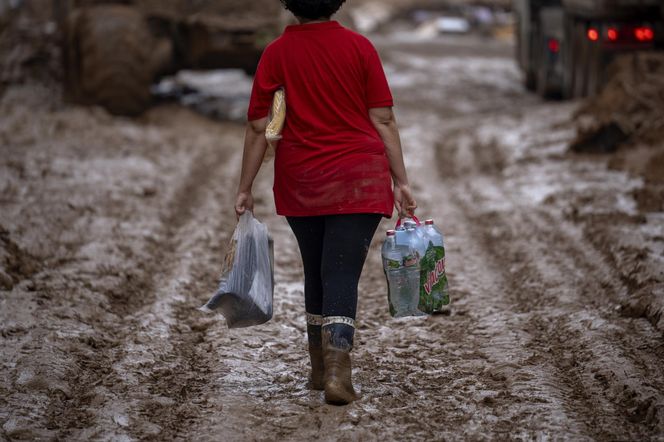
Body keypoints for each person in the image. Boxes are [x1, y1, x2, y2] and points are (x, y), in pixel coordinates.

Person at [235, 0, 416, 405]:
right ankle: (337, 371)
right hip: (360, 177)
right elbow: (383, 118)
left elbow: (258, 125)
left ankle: (320, 369)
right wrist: (401, 181)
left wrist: (245, 186)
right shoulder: (359, 47)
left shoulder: (277, 53)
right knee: (340, 272)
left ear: (290, 4)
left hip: (303, 178)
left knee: (316, 270)